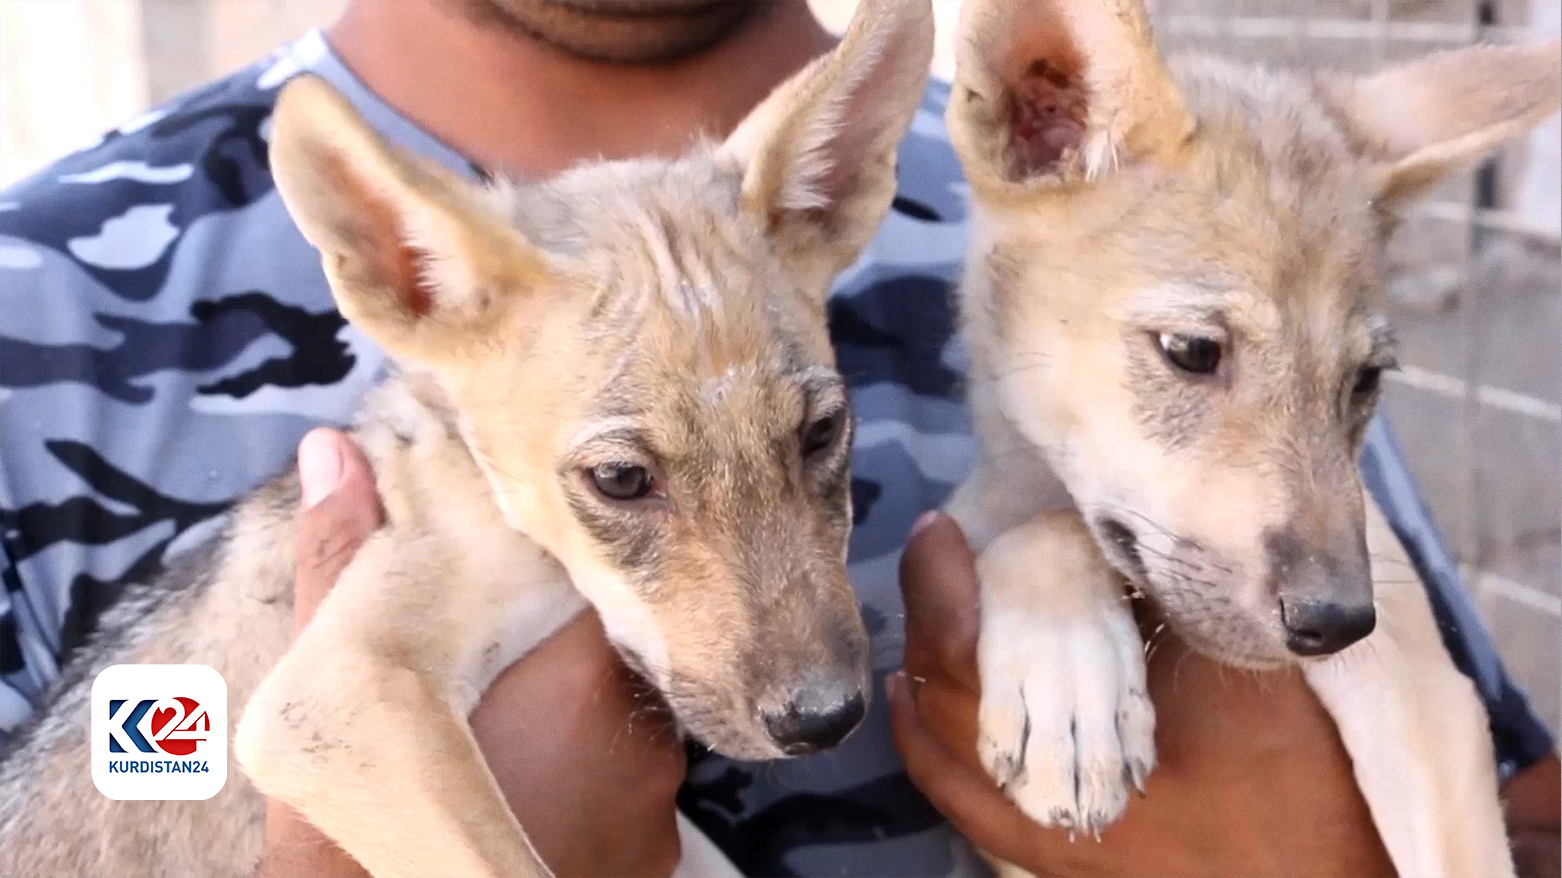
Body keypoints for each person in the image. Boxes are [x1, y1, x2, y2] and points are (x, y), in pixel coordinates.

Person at [0, 1, 1552, 875]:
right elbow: (174, 744)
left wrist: (1300, 864)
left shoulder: (1120, 252)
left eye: (820, 442)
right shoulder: (41, 312)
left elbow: (1489, 791)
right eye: (622, 477)